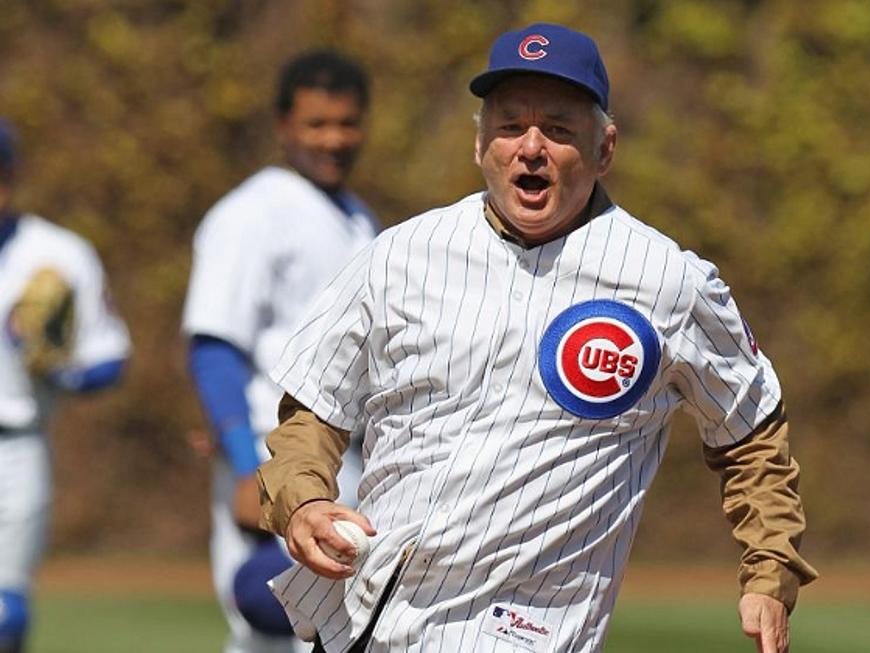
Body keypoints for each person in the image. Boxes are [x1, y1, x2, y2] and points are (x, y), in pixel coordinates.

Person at [256, 23, 818, 653]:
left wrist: (770, 570)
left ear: (604, 149)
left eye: (558, 128)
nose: (530, 148)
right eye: (509, 126)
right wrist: (302, 502)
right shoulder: (398, 256)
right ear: (479, 143)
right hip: (367, 621)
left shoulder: (669, 283)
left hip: (528, 634)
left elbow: (751, 431)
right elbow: (313, 411)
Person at [182, 49, 380, 653]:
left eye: (346, 123)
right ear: (282, 126)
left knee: (336, 634)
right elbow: (215, 344)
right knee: (275, 624)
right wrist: (246, 464)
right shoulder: (251, 213)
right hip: (274, 458)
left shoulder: (357, 219)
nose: (334, 138)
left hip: (346, 459)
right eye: (316, 123)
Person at [0, 118, 130, 653]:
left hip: (17, 444)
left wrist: (59, 370)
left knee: (5, 612)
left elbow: (111, 358)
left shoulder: (58, 253)